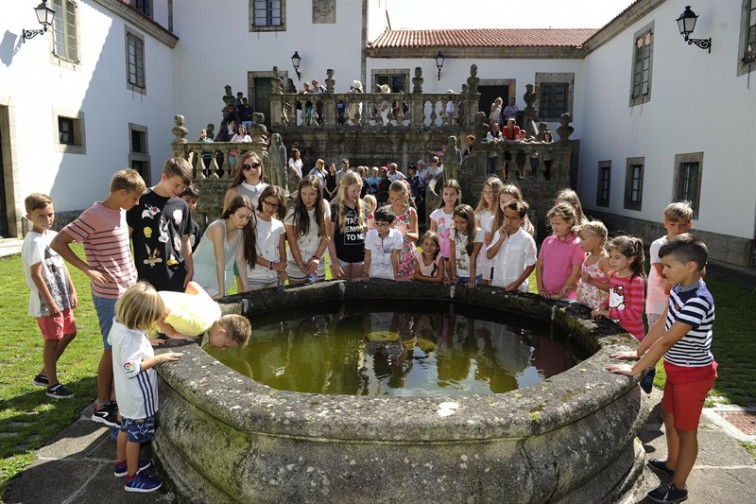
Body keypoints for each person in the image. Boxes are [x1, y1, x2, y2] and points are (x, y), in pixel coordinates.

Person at [606, 234, 716, 504]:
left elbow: (667, 340)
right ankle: (671, 464)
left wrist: (636, 370)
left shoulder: (699, 299)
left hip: (693, 374)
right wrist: (638, 350)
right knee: (668, 413)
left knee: (687, 430)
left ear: (690, 266)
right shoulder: (679, 287)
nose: (662, 270)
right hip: (678, 369)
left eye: (668, 266)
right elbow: (663, 321)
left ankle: (678, 486)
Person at [52, 168, 145, 427]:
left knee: (123, 346)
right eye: (135, 198)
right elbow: (58, 243)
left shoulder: (121, 211)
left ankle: (115, 396)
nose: (136, 203)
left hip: (127, 291)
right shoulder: (93, 214)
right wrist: (87, 269)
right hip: (108, 295)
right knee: (111, 347)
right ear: (121, 192)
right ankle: (101, 405)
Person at [109, 282, 182, 493]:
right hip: (137, 397)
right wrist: (160, 359)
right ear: (140, 317)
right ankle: (132, 477)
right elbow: (131, 368)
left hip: (125, 397)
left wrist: (145, 340)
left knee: (124, 429)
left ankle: (121, 464)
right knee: (136, 438)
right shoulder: (130, 338)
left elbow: (121, 344)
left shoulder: (120, 326)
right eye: (150, 319)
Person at [22, 193, 78, 399]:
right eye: (41, 216)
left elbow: (62, 265)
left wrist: (71, 289)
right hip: (47, 301)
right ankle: (52, 385)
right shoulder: (33, 241)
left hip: (61, 296)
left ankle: (45, 374)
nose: (47, 220)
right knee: (52, 339)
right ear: (29, 217)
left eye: (50, 214)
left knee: (70, 332)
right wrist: (50, 301)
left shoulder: (52, 236)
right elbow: (36, 275)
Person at [643, 202, 693, 393]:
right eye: (673, 224)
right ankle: (648, 369)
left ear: (689, 224)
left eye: (682, 225)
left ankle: (676, 382)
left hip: (683, 303)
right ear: (665, 223)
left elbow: (700, 272)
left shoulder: (693, 246)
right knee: (657, 338)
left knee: (679, 343)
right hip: (658, 301)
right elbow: (662, 273)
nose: (677, 229)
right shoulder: (659, 245)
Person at [127, 157, 194, 292]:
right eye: (176, 185)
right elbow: (125, 240)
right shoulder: (140, 201)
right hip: (147, 278)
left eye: (184, 187)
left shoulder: (182, 205)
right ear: (164, 176)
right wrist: (130, 272)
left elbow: (185, 240)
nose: (180, 190)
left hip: (177, 276)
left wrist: (190, 270)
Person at [192, 195, 255, 298]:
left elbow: (240, 259)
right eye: (241, 216)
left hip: (218, 277)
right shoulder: (218, 227)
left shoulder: (241, 231)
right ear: (231, 213)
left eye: (248, 218)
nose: (245, 221)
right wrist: (221, 293)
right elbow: (219, 261)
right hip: (199, 276)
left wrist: (246, 287)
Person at [154, 282, 251, 348]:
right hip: (142, 314)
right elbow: (157, 306)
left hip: (148, 301)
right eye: (225, 345)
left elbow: (191, 285)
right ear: (221, 332)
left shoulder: (215, 309)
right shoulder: (197, 326)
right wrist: (170, 333)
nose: (223, 349)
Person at [593, 236, 647, 342]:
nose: (612, 261)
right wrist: (603, 307)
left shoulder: (636, 281)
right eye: (610, 257)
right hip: (616, 328)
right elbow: (611, 296)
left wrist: (609, 313)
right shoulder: (614, 276)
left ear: (630, 259)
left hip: (631, 333)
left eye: (617, 258)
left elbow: (636, 312)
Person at [284, 176, 331, 286]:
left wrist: (316, 257)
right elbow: (292, 242)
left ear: (318, 193)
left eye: (312, 194)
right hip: (296, 260)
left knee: (318, 295)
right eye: (304, 194)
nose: (307, 198)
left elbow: (326, 235)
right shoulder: (293, 212)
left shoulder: (324, 206)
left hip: (317, 259)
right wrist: (301, 266)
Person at [487, 199, 537, 292]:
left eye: (513, 218)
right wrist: (501, 239)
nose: (509, 221)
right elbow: (489, 255)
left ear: (522, 219)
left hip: (519, 288)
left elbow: (531, 264)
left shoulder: (527, 239)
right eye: (507, 216)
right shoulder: (499, 233)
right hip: (498, 285)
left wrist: (517, 283)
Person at [536, 202, 583, 300]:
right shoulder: (547, 241)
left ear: (569, 222)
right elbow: (539, 266)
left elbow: (575, 273)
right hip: (546, 294)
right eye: (552, 223)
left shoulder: (577, 244)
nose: (554, 227)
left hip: (567, 296)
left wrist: (561, 294)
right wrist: (541, 289)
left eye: (558, 224)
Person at [246, 186, 287, 291]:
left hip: (274, 278)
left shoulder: (279, 226)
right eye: (267, 203)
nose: (270, 208)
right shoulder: (251, 222)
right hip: (254, 277)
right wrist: (272, 265)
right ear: (261, 200)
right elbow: (249, 254)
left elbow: (282, 253)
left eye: (275, 205)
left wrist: (282, 268)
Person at [328, 171, 366, 280]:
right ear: (344, 190)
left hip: (359, 257)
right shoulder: (335, 207)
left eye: (359, 190)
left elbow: (366, 233)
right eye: (353, 191)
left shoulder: (362, 206)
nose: (357, 194)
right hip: (341, 258)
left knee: (356, 292)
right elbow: (330, 237)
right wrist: (335, 263)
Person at [575, 221, 612, 310]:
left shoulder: (604, 260)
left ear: (596, 240)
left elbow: (613, 287)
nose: (580, 242)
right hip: (585, 305)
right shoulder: (588, 256)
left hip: (598, 309)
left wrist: (592, 280)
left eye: (583, 239)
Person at [474, 177, 504, 286]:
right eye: (485, 192)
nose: (487, 195)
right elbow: (478, 234)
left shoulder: (502, 214)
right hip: (483, 251)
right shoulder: (479, 213)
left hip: (498, 249)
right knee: (484, 280)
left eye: (490, 192)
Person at [388, 181, 419, 281]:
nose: (394, 202)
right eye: (392, 198)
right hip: (390, 254)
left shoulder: (411, 212)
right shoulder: (387, 211)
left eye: (398, 199)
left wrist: (405, 233)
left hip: (407, 255)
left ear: (405, 197)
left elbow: (416, 236)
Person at [362, 206, 403, 281]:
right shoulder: (370, 234)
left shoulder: (397, 235)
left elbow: (394, 257)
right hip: (373, 275)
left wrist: (396, 276)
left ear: (392, 223)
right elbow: (368, 255)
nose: (379, 227)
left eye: (383, 224)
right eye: (377, 224)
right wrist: (365, 274)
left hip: (390, 276)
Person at [429, 179, 461, 272]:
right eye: (445, 194)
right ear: (442, 194)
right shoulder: (436, 214)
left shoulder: (461, 214)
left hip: (457, 255)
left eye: (452, 194)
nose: (448, 197)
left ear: (458, 194)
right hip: (439, 255)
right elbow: (432, 237)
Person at [448, 204, 483, 287]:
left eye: (462, 222)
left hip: (474, 276)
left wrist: (472, 280)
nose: (459, 226)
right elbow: (452, 256)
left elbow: (473, 257)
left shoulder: (478, 233)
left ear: (469, 221)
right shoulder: (453, 231)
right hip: (458, 275)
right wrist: (453, 277)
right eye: (456, 222)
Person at [180, 185, 202, 252]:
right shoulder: (171, 223)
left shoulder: (195, 227)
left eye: (194, 202)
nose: (191, 205)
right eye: (187, 201)